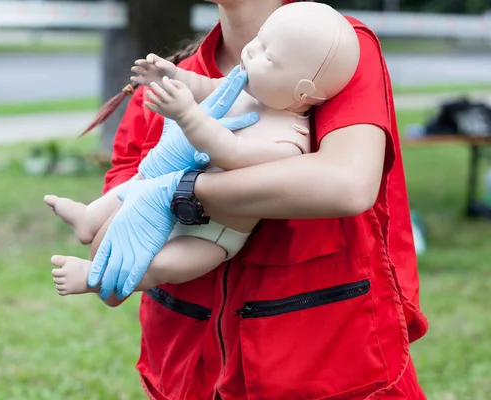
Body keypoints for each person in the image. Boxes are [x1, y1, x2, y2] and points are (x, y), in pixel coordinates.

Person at [53, 0, 430, 398]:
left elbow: (345, 185)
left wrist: (179, 191)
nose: (256, 56)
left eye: (268, 52)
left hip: (327, 371)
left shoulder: (333, 49)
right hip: (188, 372)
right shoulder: (169, 87)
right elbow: (109, 249)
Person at [46, 2, 360, 300]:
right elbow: (206, 87)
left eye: (268, 56)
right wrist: (174, 77)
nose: (251, 51)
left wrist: (187, 116)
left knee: (167, 265)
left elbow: (231, 153)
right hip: (180, 191)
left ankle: (92, 277)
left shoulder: (290, 140)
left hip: (215, 232)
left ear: (302, 90)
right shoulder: (250, 90)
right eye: (260, 40)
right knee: (141, 181)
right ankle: (90, 217)